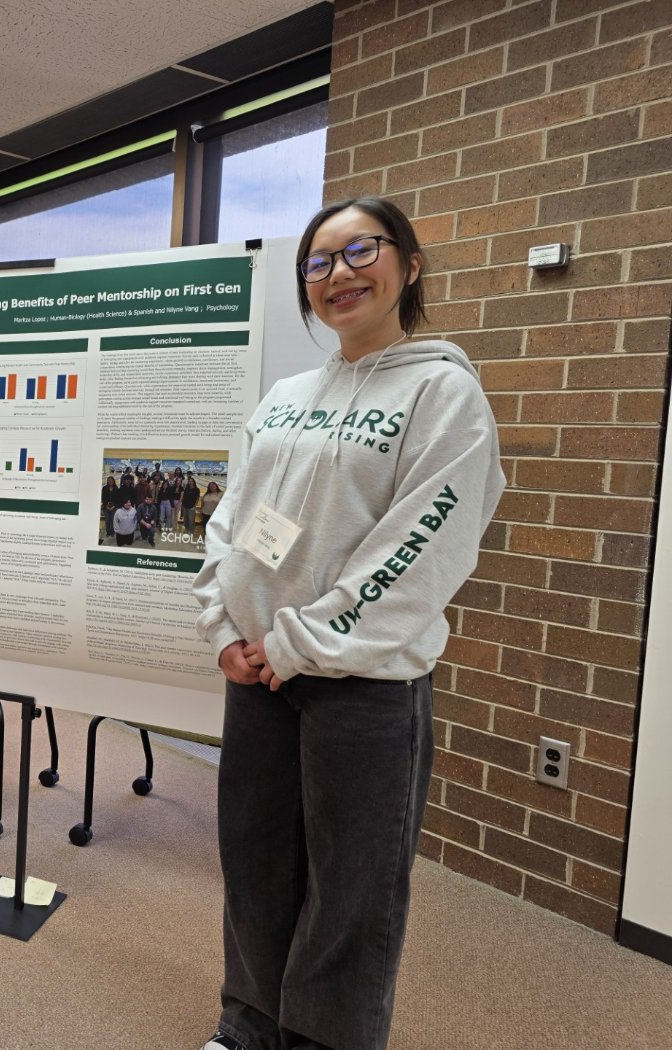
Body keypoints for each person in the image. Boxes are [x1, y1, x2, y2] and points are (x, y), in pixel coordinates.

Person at [193, 197, 504, 1050]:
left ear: (406, 262)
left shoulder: (445, 394)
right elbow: (230, 518)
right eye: (319, 262)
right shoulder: (289, 395)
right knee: (256, 864)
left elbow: (418, 554)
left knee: (352, 892)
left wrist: (298, 641)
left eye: (359, 250)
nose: (339, 274)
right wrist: (222, 625)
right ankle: (249, 1023)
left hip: (360, 686)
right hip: (256, 675)